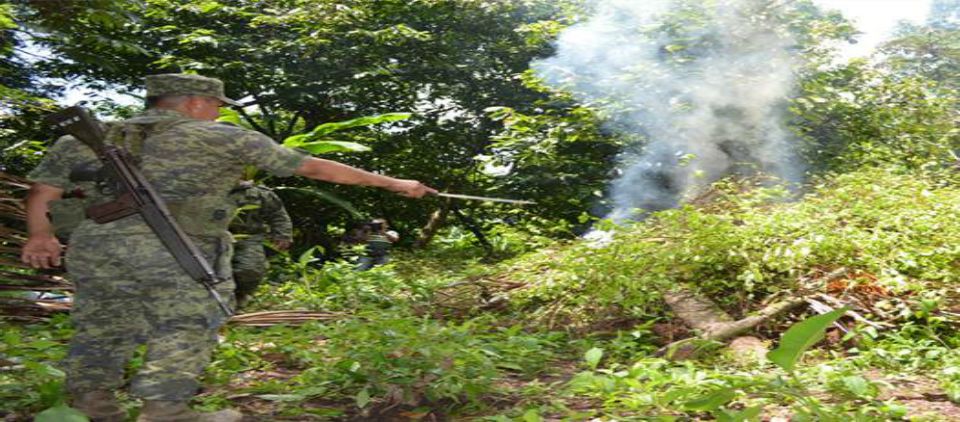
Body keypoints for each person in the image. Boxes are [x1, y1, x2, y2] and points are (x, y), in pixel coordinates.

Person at [20, 73, 435, 422]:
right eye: (216, 104)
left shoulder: (83, 140)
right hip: (177, 249)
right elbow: (311, 166)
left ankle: (92, 403)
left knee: (101, 322)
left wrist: (40, 236)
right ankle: (166, 411)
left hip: (96, 248)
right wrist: (394, 184)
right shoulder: (222, 137)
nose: (219, 111)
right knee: (185, 324)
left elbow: (42, 192)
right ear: (195, 104)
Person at [228, 181, 293, 309]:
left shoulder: (258, 193)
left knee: (250, 269)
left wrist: (283, 234)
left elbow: (278, 214)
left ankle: (238, 299)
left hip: (248, 237)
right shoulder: (207, 187)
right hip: (209, 237)